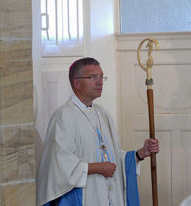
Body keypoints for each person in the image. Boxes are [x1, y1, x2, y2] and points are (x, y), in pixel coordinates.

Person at [36, 57, 159, 206]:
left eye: (101, 77)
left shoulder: (102, 114)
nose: (100, 82)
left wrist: (139, 154)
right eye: (93, 77)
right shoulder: (63, 116)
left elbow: (112, 158)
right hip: (85, 197)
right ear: (76, 82)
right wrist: (97, 168)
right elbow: (58, 166)